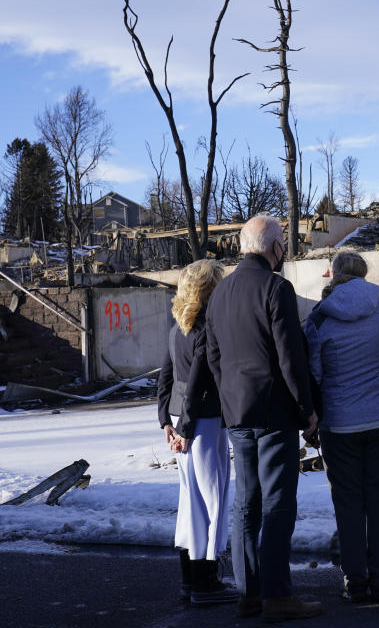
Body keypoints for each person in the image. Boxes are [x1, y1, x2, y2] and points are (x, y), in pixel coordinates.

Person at [205, 215, 324, 622]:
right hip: (274, 411)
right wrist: (307, 408)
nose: (285, 249)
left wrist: (228, 400)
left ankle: (249, 593)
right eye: (284, 243)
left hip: (237, 411)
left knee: (246, 504)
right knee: (277, 503)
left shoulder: (220, 293)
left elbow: (213, 356)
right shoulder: (276, 287)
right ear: (274, 247)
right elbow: (291, 354)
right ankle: (277, 596)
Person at [303, 251, 379, 603]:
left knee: (347, 503)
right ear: (363, 273)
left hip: (340, 422)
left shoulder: (319, 320)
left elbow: (314, 374)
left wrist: (313, 415)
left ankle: (355, 579)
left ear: (333, 276)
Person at [157, 259, 236, 607]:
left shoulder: (178, 326)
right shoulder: (206, 327)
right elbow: (199, 383)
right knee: (212, 499)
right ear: (209, 288)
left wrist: (166, 422)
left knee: (191, 502)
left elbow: (166, 378)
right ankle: (206, 582)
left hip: (181, 421)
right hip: (201, 421)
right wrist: (184, 427)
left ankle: (190, 581)